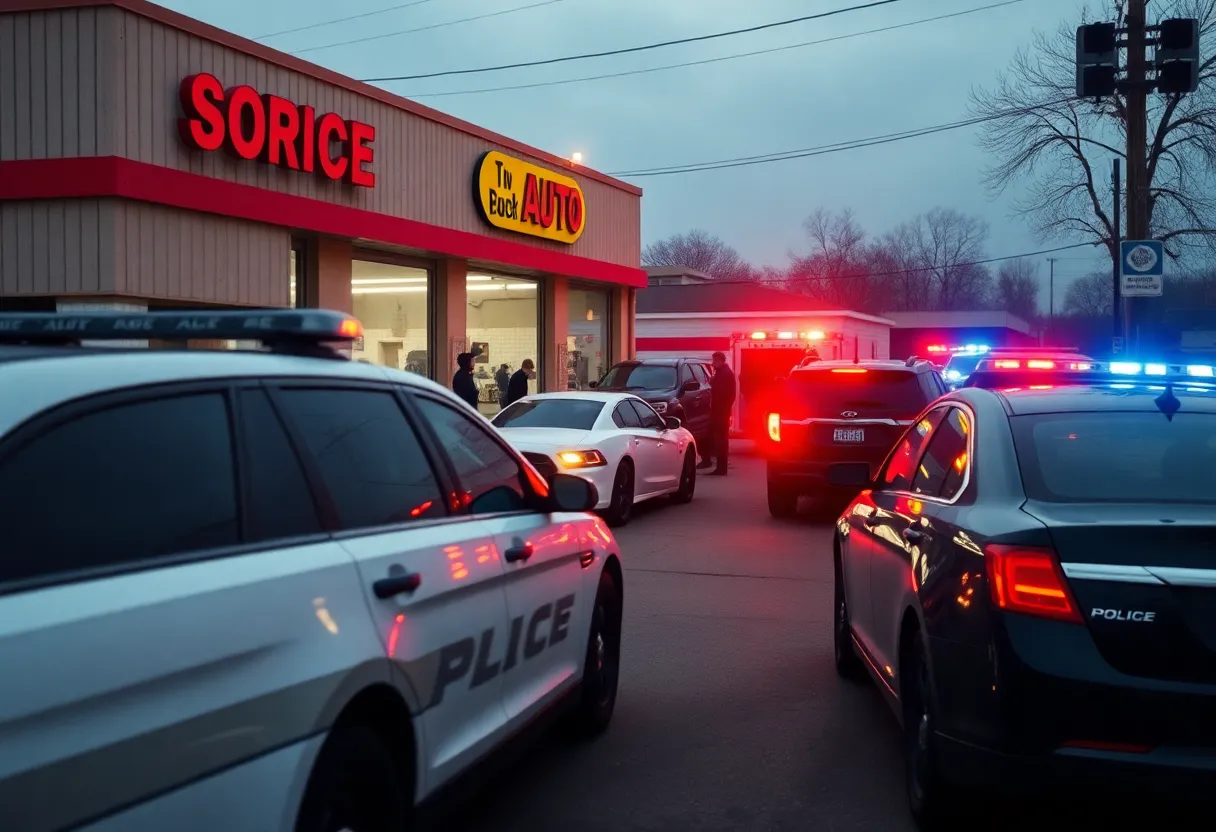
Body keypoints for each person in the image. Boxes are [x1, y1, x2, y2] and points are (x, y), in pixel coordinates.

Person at [698, 351, 736, 476]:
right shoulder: (722, 373)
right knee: (718, 439)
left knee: (720, 441)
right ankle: (717, 465)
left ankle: (721, 468)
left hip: (720, 413)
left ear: (721, 361)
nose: (713, 363)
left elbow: (724, 394)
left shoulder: (724, 374)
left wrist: (722, 410)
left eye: (715, 360)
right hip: (720, 412)